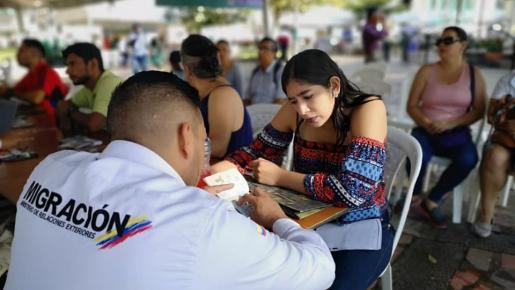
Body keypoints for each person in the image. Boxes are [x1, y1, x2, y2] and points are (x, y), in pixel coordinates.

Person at [4, 71, 335, 290]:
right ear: (186, 137)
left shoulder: (51, 167)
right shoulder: (200, 221)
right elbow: (321, 269)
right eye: (203, 141)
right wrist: (277, 218)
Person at [212, 49, 394, 290]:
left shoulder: (368, 108)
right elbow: (257, 152)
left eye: (308, 96)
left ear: (334, 86)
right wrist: (219, 170)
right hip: (306, 223)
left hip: (363, 227)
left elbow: (354, 192)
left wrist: (281, 177)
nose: (302, 109)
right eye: (293, 100)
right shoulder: (296, 113)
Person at [406, 26, 487, 228]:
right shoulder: (426, 71)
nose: (441, 45)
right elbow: (412, 106)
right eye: (439, 41)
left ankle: (433, 199)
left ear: (463, 45)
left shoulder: (474, 74)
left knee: (469, 159)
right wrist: (427, 122)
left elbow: (478, 110)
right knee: (416, 153)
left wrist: (450, 123)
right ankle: (415, 196)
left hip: (456, 133)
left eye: (448, 40)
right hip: (426, 129)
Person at [181, 35, 252, 159]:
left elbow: (217, 148)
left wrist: (178, 146)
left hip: (233, 173)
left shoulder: (222, 94)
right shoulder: (201, 91)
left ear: (187, 70)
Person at [473, 71, 515, 238]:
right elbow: (492, 115)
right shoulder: (508, 80)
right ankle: (486, 214)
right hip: (505, 138)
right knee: (495, 158)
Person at [57, 42, 122, 134]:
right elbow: (62, 105)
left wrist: (71, 111)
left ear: (93, 64)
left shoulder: (109, 82)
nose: (67, 71)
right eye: (67, 65)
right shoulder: (89, 88)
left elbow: (94, 125)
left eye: (72, 64)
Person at [0, 38, 68, 120]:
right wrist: (6, 91)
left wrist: (11, 92)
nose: (17, 54)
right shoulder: (30, 75)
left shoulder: (45, 71)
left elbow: (37, 98)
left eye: (21, 51)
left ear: (34, 53)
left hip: (49, 121)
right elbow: (12, 92)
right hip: (35, 117)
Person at [245, 37, 287, 105]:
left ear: (274, 53)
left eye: (265, 49)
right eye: (260, 49)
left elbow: (280, 101)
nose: (260, 52)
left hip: (271, 113)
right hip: (253, 112)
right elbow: (247, 99)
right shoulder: (255, 72)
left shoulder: (280, 71)